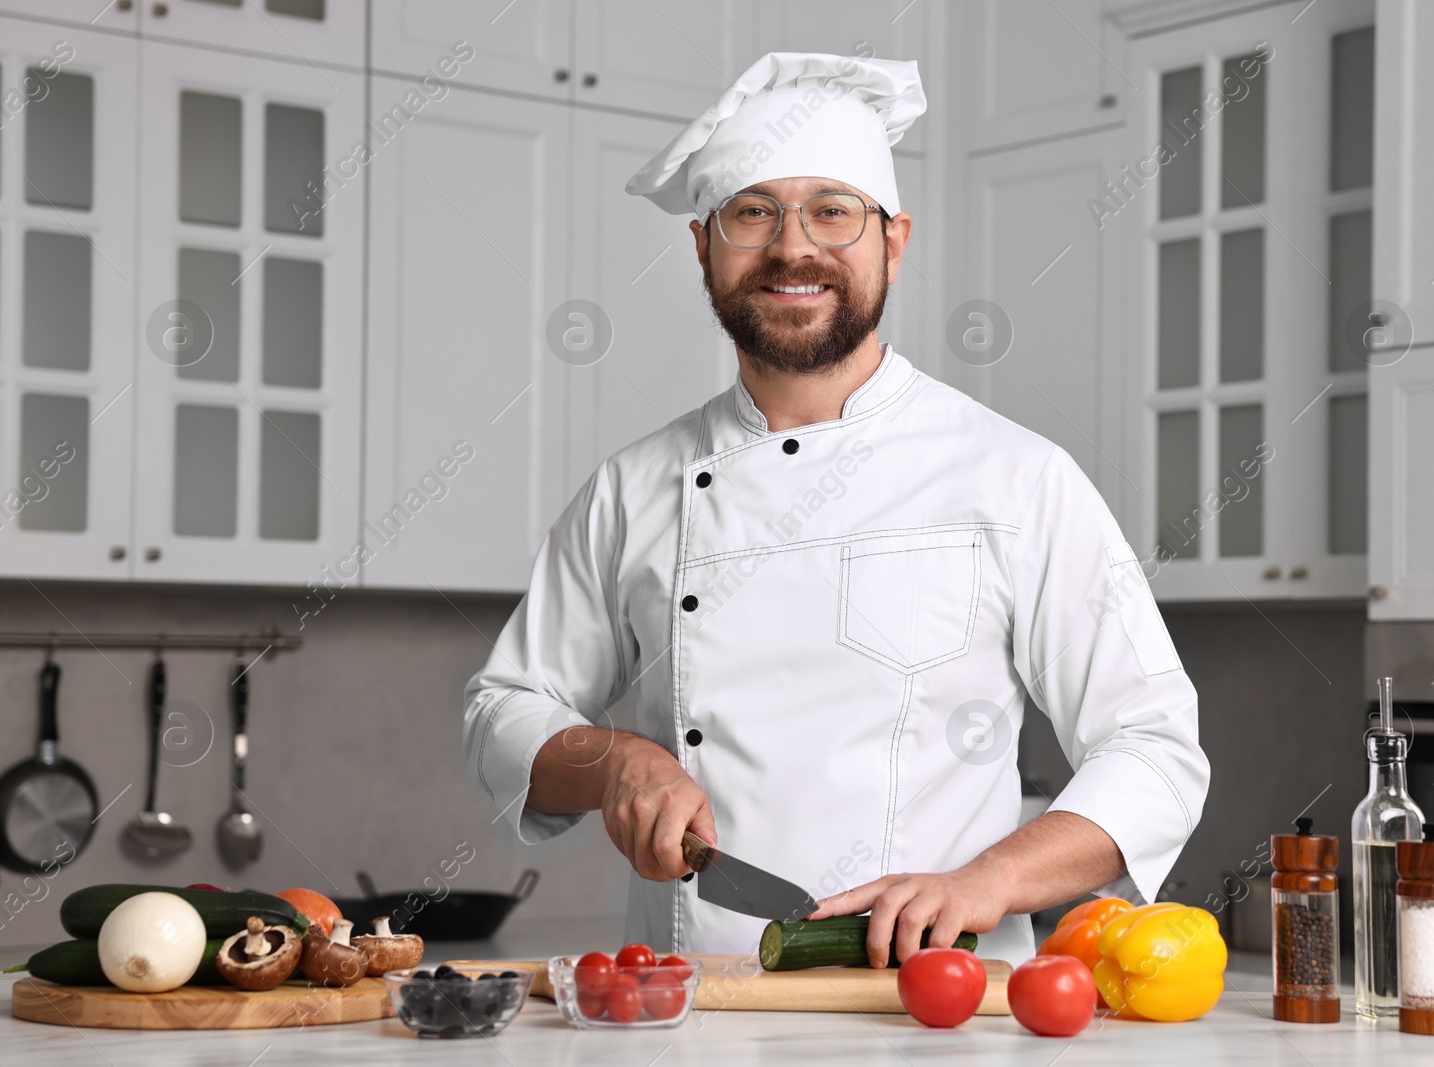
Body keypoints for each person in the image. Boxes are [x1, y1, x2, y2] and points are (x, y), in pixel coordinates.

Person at [464, 51, 1208, 967]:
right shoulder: (633, 488)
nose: (792, 248)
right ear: (703, 247)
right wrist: (617, 758)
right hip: (689, 1010)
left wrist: (989, 882)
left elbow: (1155, 749)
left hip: (936, 1008)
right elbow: (503, 708)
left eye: (832, 211)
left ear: (892, 241)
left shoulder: (1014, 478)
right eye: (754, 212)